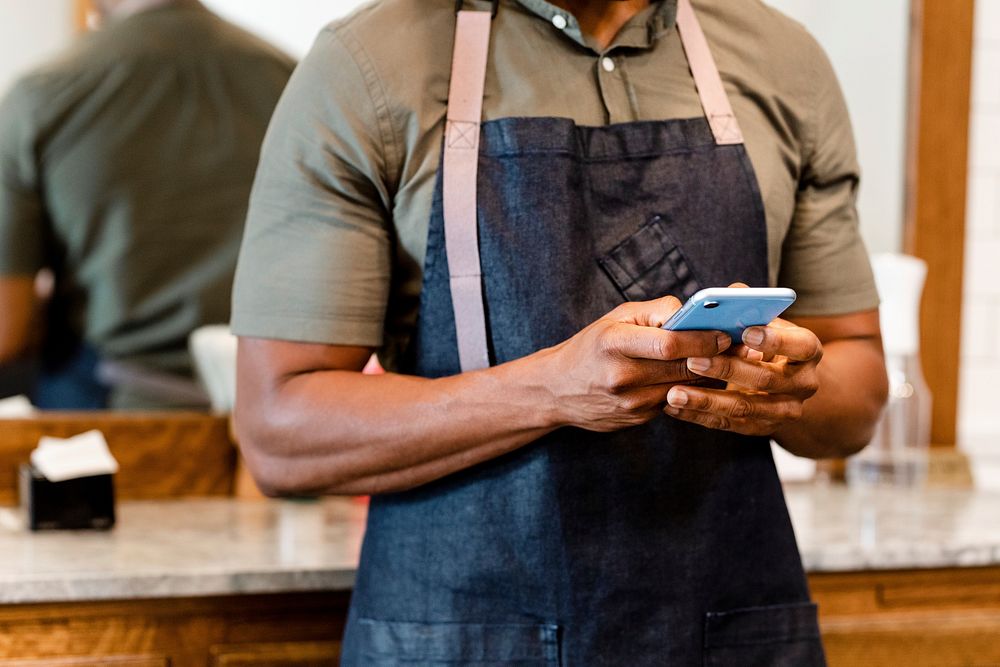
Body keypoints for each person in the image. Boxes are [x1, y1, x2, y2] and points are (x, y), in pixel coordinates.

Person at [231, 0, 889, 663]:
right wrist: (551, 390)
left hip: (728, 637)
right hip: (466, 639)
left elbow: (857, 391)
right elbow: (279, 430)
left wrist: (785, 384)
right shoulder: (366, 69)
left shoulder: (782, 62)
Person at [0, 0, 294, 409]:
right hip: (269, 399)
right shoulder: (290, 77)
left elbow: (6, 329)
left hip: (116, 408)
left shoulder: (42, 93)